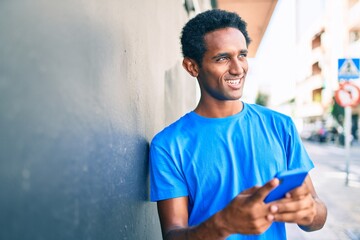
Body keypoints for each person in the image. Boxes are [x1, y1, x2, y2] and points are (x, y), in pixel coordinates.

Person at [149, 9, 327, 240]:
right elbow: (173, 234)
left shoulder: (280, 126)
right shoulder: (168, 145)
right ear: (192, 67)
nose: (238, 68)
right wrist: (222, 224)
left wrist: (310, 213)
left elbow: (316, 214)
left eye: (242, 55)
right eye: (222, 58)